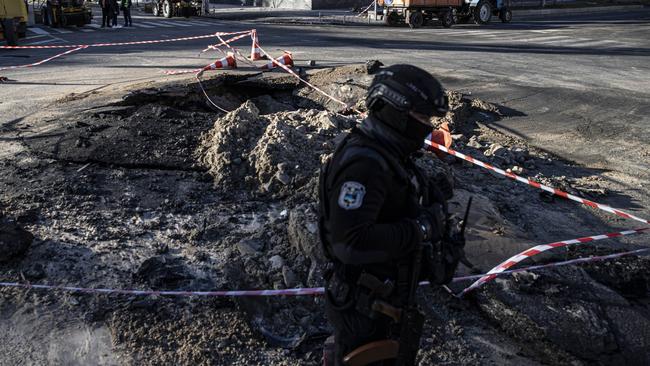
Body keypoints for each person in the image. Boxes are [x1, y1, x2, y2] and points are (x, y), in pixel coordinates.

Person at [319, 64, 455, 366]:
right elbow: (350, 243)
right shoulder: (365, 166)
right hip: (364, 307)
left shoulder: (390, 156)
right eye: (421, 118)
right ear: (393, 111)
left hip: (383, 302)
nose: (426, 127)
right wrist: (421, 227)